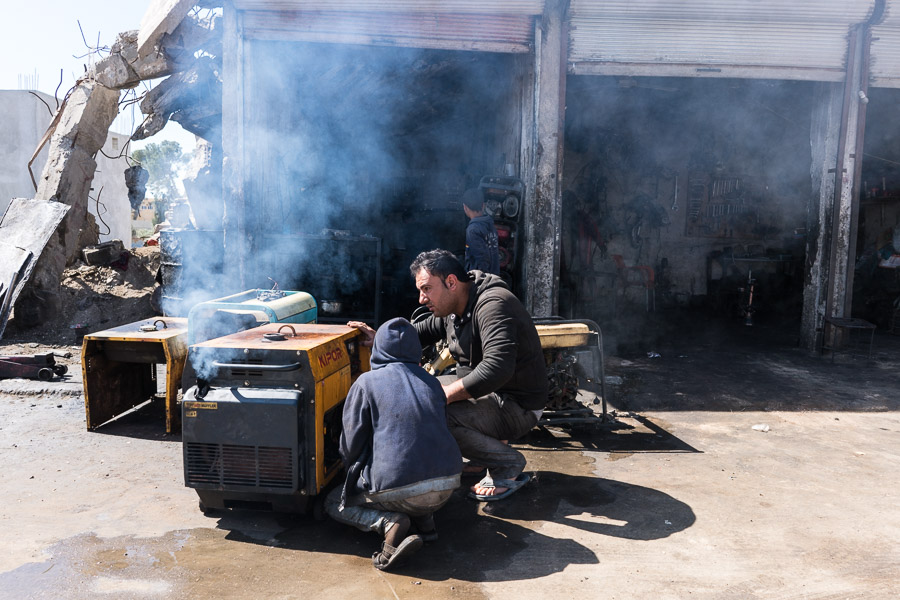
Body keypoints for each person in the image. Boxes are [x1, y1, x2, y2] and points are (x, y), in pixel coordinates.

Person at [350, 249, 547, 502]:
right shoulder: (456, 306)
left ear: (451, 282)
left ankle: (506, 465)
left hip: (517, 405)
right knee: (413, 392)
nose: (421, 299)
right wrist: (381, 338)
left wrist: (442, 397)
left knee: (430, 411)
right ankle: (482, 455)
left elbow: (497, 367)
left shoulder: (493, 305)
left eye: (427, 289)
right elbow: (419, 332)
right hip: (490, 395)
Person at [325, 317, 462, 571]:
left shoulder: (366, 382)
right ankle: (426, 525)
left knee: (333, 502)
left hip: (400, 490)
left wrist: (349, 475)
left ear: (378, 348)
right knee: (419, 468)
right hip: (448, 484)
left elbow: (351, 445)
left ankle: (388, 524)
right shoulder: (432, 382)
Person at [461, 188, 501, 275]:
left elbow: (482, 259)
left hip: (482, 278)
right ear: (483, 205)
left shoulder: (472, 230)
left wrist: (483, 279)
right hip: (494, 276)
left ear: (465, 208)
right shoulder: (491, 225)